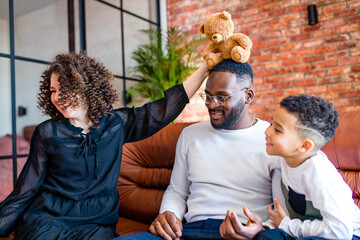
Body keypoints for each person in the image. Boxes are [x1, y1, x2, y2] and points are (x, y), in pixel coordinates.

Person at [0, 51, 210, 240]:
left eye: (65, 89)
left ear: (86, 86)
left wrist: (204, 69)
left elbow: (164, 110)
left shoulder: (117, 124)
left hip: (96, 222)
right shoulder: (47, 132)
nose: (57, 97)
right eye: (53, 90)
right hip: (48, 218)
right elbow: (26, 189)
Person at [115, 59, 282, 240]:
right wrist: (169, 213)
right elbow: (177, 190)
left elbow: (281, 208)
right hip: (189, 231)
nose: (211, 105)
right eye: (208, 96)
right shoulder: (190, 135)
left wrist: (262, 228)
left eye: (221, 97)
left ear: (248, 96)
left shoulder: (271, 140)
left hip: (245, 233)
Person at [254, 95, 360, 240]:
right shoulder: (282, 161)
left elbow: (340, 231)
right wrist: (263, 226)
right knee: (264, 236)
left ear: (304, 146)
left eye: (277, 130)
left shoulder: (320, 176)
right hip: (304, 229)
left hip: (346, 234)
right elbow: (283, 215)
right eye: (272, 124)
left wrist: (288, 225)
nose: (267, 131)